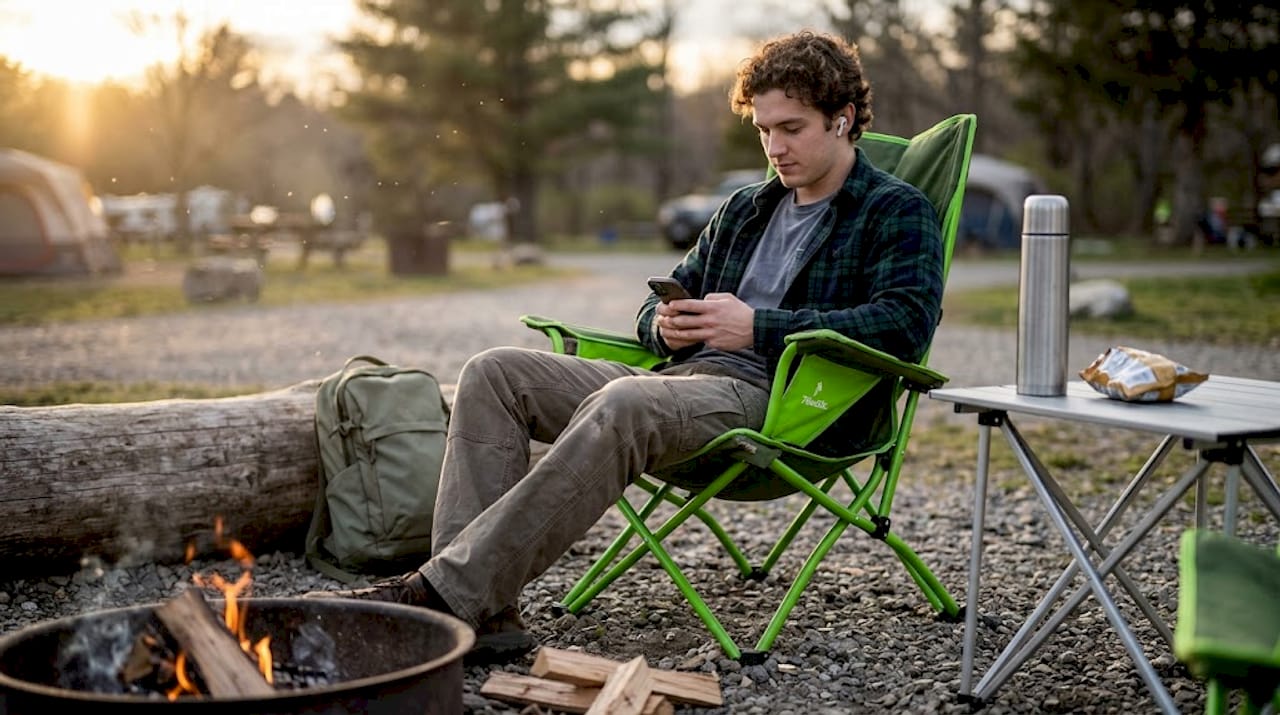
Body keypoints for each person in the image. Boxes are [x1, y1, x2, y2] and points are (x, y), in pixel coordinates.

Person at [308, 29, 945, 664]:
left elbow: (905, 324)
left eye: (792, 128)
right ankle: (485, 609)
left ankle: (441, 599)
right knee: (493, 372)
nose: (775, 148)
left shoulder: (895, 210)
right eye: (762, 130)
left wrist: (757, 327)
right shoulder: (747, 208)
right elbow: (662, 300)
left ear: (844, 119)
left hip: (782, 402)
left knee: (624, 402)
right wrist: (660, 327)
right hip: (688, 377)